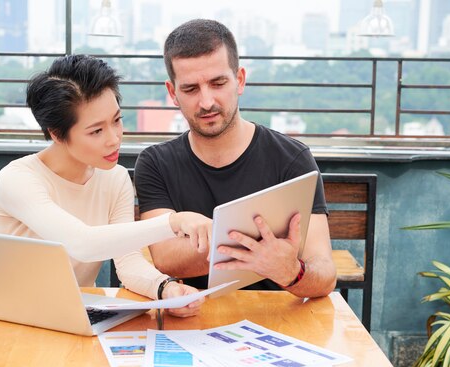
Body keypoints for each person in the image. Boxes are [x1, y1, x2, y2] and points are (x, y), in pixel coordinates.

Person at [0, 55, 212, 317]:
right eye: (96, 131)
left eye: (117, 120)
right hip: (15, 319)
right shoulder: (18, 179)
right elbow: (83, 243)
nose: (114, 138)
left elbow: (128, 260)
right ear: (56, 133)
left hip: (78, 316)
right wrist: (173, 222)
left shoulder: (114, 178)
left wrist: (166, 289)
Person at [134, 19, 336, 297]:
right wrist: (258, 248)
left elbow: (324, 274)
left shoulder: (291, 158)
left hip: (276, 318)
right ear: (173, 93)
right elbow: (167, 258)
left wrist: (290, 270)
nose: (206, 102)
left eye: (218, 83)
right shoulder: (155, 163)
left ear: (239, 80)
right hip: (192, 318)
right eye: (191, 89)